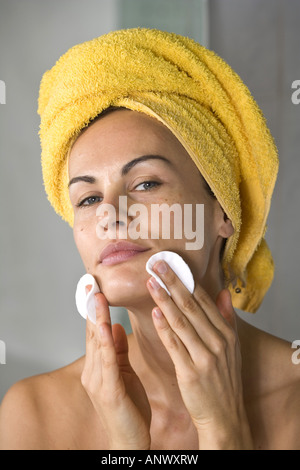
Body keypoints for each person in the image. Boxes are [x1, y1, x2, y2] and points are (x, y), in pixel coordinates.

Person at [0, 28, 299, 450]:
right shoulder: (34, 415)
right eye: (87, 198)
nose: (109, 215)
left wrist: (224, 431)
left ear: (224, 212)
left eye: (145, 184)